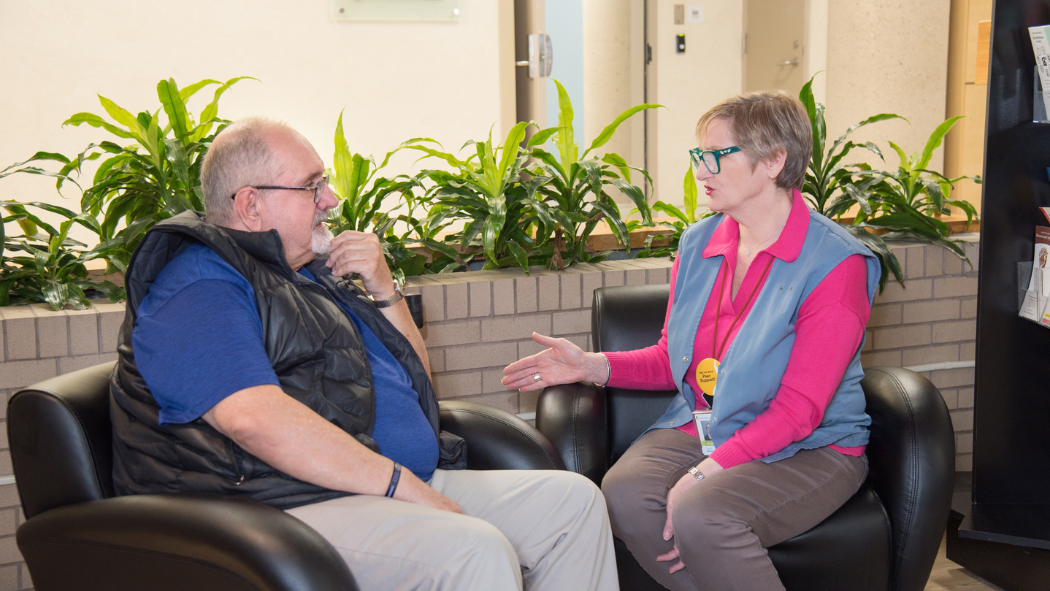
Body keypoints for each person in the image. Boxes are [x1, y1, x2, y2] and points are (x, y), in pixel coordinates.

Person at [109, 117, 618, 591]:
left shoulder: (307, 275)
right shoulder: (200, 283)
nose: (331, 198)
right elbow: (253, 420)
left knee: (573, 505)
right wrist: (404, 487)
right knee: (469, 549)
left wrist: (384, 288)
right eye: (311, 186)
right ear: (250, 205)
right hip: (281, 505)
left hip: (385, 485)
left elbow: (418, 383)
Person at [503, 91, 880, 591]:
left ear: (774, 161)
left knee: (703, 512)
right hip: (708, 424)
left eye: (717, 156)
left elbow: (799, 411)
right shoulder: (699, 242)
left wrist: (703, 474)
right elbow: (672, 358)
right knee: (623, 494)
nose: (702, 169)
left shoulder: (836, 264)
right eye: (698, 155)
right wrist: (591, 366)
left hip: (811, 446)